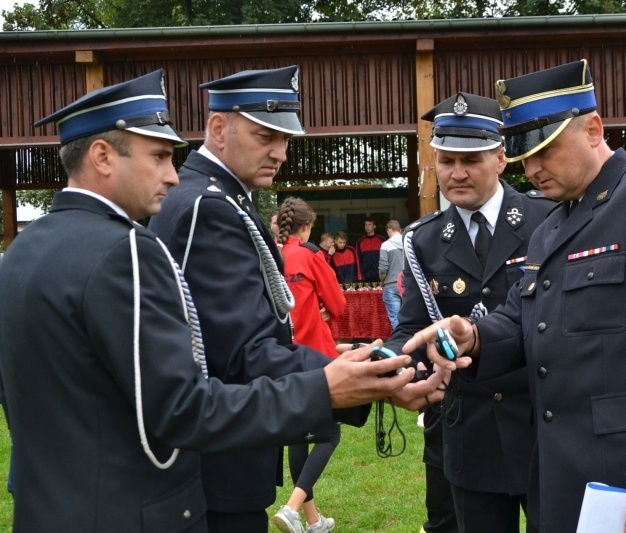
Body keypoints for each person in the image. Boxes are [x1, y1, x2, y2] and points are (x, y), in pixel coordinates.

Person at [0, 70, 420, 533]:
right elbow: (205, 379)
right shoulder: (139, 243)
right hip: (146, 499)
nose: (172, 174)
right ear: (102, 156)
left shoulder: (24, 247)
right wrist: (329, 385)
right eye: (159, 156)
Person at [402, 59, 626, 533]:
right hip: (564, 486)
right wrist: (473, 335)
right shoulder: (553, 227)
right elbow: (527, 321)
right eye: (524, 154)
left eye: (546, 149)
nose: (533, 168)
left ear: (593, 128)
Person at [147, 67, 438, 532]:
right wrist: (361, 378)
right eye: (266, 135)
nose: (280, 152)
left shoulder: (214, 198)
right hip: (216, 462)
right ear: (219, 128)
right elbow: (239, 354)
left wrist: (348, 364)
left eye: (284, 138)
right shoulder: (209, 207)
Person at [384, 92, 555, 533]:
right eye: (445, 161)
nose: (456, 173)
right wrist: (389, 361)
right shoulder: (422, 239)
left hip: (542, 423)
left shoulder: (548, 221)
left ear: (501, 159)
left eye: (472, 160)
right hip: (467, 428)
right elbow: (413, 327)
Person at [273, 197, 345, 533]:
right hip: (315, 357)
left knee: (297, 435)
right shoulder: (310, 255)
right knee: (330, 433)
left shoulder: (271, 256)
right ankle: (291, 508)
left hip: (279, 357)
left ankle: (313, 520)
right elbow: (339, 303)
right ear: (306, 227)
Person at [378, 219, 405, 329]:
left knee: (395, 318)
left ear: (389, 229)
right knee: (408, 317)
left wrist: (382, 281)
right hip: (407, 284)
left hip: (391, 285)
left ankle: (399, 343)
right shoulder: (408, 242)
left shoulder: (385, 245)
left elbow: (383, 269)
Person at [356, 217, 385, 282]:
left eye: (369, 224)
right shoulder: (360, 241)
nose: (367, 227)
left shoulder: (382, 240)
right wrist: (360, 276)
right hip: (365, 276)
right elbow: (358, 260)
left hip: (379, 275)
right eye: (366, 225)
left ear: (374, 226)